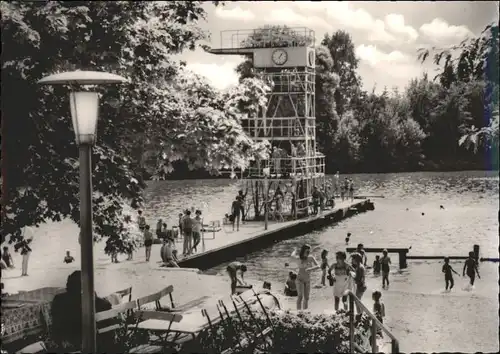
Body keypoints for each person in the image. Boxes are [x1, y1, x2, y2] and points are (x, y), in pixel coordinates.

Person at [51, 271, 114, 352]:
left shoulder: (59, 300)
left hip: (70, 343)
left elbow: (56, 326)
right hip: (97, 344)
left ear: (69, 285)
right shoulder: (96, 301)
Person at [291, 244, 320, 310]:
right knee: (300, 296)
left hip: (307, 280)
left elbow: (318, 266)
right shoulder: (299, 258)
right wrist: (295, 250)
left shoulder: (311, 258)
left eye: (309, 252)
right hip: (299, 279)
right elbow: (292, 256)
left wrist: (311, 269)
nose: (308, 253)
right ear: (303, 251)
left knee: (306, 298)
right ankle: (298, 312)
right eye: (307, 251)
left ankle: (305, 312)